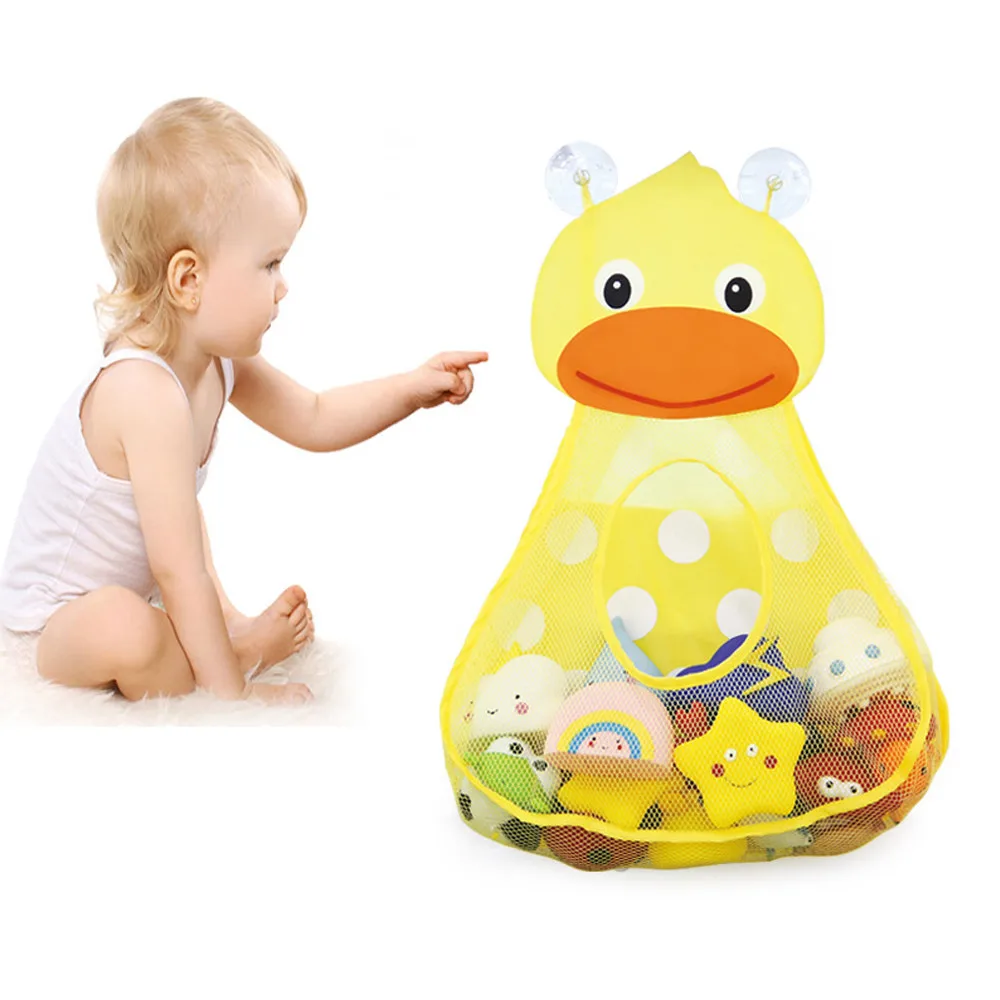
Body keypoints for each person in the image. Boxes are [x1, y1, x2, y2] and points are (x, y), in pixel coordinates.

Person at [0, 97, 487, 707]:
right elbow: (176, 572)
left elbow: (314, 416)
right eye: (269, 264)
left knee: (176, 520)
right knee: (133, 626)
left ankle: (227, 636)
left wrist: (411, 388)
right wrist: (231, 699)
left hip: (131, 592)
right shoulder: (143, 391)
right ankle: (229, 668)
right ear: (189, 280)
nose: (284, 287)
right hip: (54, 628)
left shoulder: (215, 360)